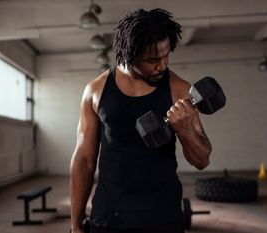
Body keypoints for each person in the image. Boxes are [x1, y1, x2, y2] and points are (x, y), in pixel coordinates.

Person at [70, 8, 212, 233]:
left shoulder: (180, 90)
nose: (162, 65)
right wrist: (75, 224)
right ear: (129, 54)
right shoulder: (96, 91)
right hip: (109, 217)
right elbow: (84, 161)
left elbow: (202, 160)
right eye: (153, 59)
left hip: (163, 217)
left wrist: (185, 130)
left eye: (167, 55)